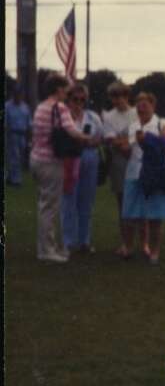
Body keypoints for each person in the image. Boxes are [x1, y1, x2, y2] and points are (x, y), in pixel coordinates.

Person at [29, 73, 89, 261]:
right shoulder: (60, 107)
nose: (67, 93)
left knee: (44, 205)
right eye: (65, 90)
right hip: (51, 162)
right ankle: (47, 251)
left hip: (36, 159)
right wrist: (88, 138)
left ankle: (47, 247)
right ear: (58, 89)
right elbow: (71, 131)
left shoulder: (41, 107)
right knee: (50, 207)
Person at [119, 91, 165, 263]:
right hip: (134, 173)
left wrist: (147, 139)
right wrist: (122, 147)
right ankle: (128, 248)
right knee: (130, 215)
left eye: (145, 104)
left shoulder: (161, 123)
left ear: (153, 106)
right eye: (139, 104)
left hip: (156, 174)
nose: (141, 108)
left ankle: (154, 252)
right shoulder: (132, 125)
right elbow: (128, 150)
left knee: (155, 218)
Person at [60, 83, 104, 252]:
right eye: (75, 99)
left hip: (89, 157)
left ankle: (84, 240)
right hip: (70, 159)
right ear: (68, 99)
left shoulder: (93, 117)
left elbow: (99, 137)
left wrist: (89, 141)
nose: (78, 103)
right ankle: (69, 241)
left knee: (86, 200)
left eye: (82, 99)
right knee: (69, 199)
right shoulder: (64, 117)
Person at [102, 82, 138, 255]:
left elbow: (140, 135)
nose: (117, 100)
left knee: (139, 203)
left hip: (137, 161)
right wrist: (127, 143)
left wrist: (125, 142)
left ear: (127, 96)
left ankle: (142, 242)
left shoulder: (136, 113)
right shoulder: (108, 116)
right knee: (123, 204)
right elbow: (110, 140)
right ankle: (125, 243)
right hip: (119, 163)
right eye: (114, 97)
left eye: (120, 96)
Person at [5, 84, 32, 185]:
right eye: (16, 93)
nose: (18, 96)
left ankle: (11, 177)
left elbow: (29, 123)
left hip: (23, 135)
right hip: (12, 134)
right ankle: (16, 180)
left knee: (20, 157)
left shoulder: (25, 107)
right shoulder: (7, 106)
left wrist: (30, 137)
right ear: (13, 94)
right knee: (14, 157)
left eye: (20, 94)